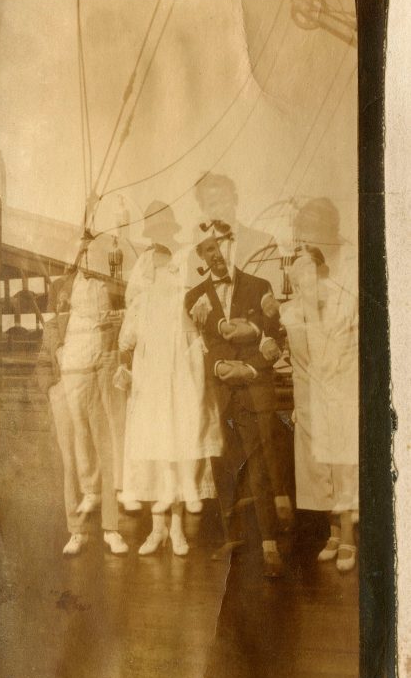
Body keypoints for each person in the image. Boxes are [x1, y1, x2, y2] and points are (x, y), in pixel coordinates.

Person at [185, 225, 291, 577]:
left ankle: (270, 546)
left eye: (216, 247)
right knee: (222, 467)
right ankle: (233, 538)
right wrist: (216, 366)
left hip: (252, 390)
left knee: (259, 466)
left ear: (228, 247)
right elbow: (194, 348)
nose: (213, 255)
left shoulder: (260, 287)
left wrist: (248, 367)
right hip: (218, 394)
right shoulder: (194, 297)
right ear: (201, 256)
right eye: (205, 250)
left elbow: (277, 337)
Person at [116, 244, 222, 556]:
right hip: (149, 392)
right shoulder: (140, 305)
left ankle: (175, 529)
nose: (163, 274)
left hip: (177, 391)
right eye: (157, 268)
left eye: (168, 268)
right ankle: (157, 528)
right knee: (153, 458)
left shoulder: (182, 301)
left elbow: (196, 343)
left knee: (175, 454)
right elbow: (125, 341)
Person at [36, 232, 129, 556]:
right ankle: (76, 530)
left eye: (90, 251)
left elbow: (124, 331)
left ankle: (111, 530)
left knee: (105, 450)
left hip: (98, 378)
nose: (85, 257)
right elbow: (49, 332)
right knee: (71, 459)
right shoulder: (60, 287)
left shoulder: (112, 287)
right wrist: (52, 382)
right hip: (66, 381)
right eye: (80, 251)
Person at [279, 238, 359, 573]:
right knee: (320, 471)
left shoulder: (343, 310)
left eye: (311, 276)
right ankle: (333, 533)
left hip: (339, 399)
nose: (306, 284)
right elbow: (297, 360)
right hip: (310, 401)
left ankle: (349, 540)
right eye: (299, 279)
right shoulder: (293, 314)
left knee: (341, 467)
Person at [187, 173, 276, 288]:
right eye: (213, 204)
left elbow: (273, 291)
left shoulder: (265, 242)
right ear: (203, 208)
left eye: (224, 201)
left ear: (235, 199)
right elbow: (193, 299)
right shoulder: (196, 255)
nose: (221, 209)